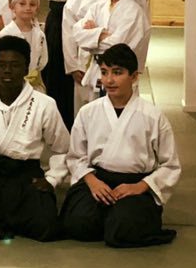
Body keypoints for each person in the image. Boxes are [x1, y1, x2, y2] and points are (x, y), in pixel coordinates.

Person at [61, 44, 181, 247]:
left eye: (117, 73)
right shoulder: (88, 112)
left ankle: (115, 219)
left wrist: (140, 186)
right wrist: (92, 181)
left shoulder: (153, 116)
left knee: (121, 230)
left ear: (134, 77)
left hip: (134, 184)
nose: (109, 80)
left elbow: (170, 165)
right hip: (98, 180)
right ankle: (108, 217)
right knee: (78, 224)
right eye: (104, 72)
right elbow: (76, 156)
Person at [0, 36, 69, 242]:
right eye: (2, 65)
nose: (7, 71)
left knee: (46, 225)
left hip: (26, 175)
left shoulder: (44, 104)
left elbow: (62, 147)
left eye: (15, 65)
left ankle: (11, 219)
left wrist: (52, 179)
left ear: (26, 68)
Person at [63, 0, 148, 116]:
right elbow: (75, 33)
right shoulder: (96, 4)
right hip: (90, 69)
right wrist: (101, 34)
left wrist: (92, 35)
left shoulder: (133, 10)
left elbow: (118, 46)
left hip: (120, 73)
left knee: (119, 119)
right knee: (90, 118)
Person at [0, 0, 48, 92]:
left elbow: (43, 60)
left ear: (37, 9)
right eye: (22, 4)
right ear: (13, 7)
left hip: (34, 85)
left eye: (32, 5)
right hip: (11, 83)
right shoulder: (6, 34)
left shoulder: (40, 35)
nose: (28, 8)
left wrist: (34, 75)